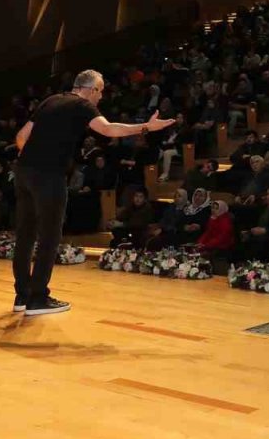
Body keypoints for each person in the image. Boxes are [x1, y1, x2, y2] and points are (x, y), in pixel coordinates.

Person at [13, 69, 173, 315]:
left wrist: (31, 160)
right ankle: (37, 299)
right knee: (48, 237)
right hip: (48, 175)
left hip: (23, 173)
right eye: (101, 91)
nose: (101, 97)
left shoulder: (51, 100)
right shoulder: (82, 106)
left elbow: (22, 136)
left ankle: (22, 296)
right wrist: (146, 128)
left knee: (25, 234)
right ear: (91, 90)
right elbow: (109, 130)